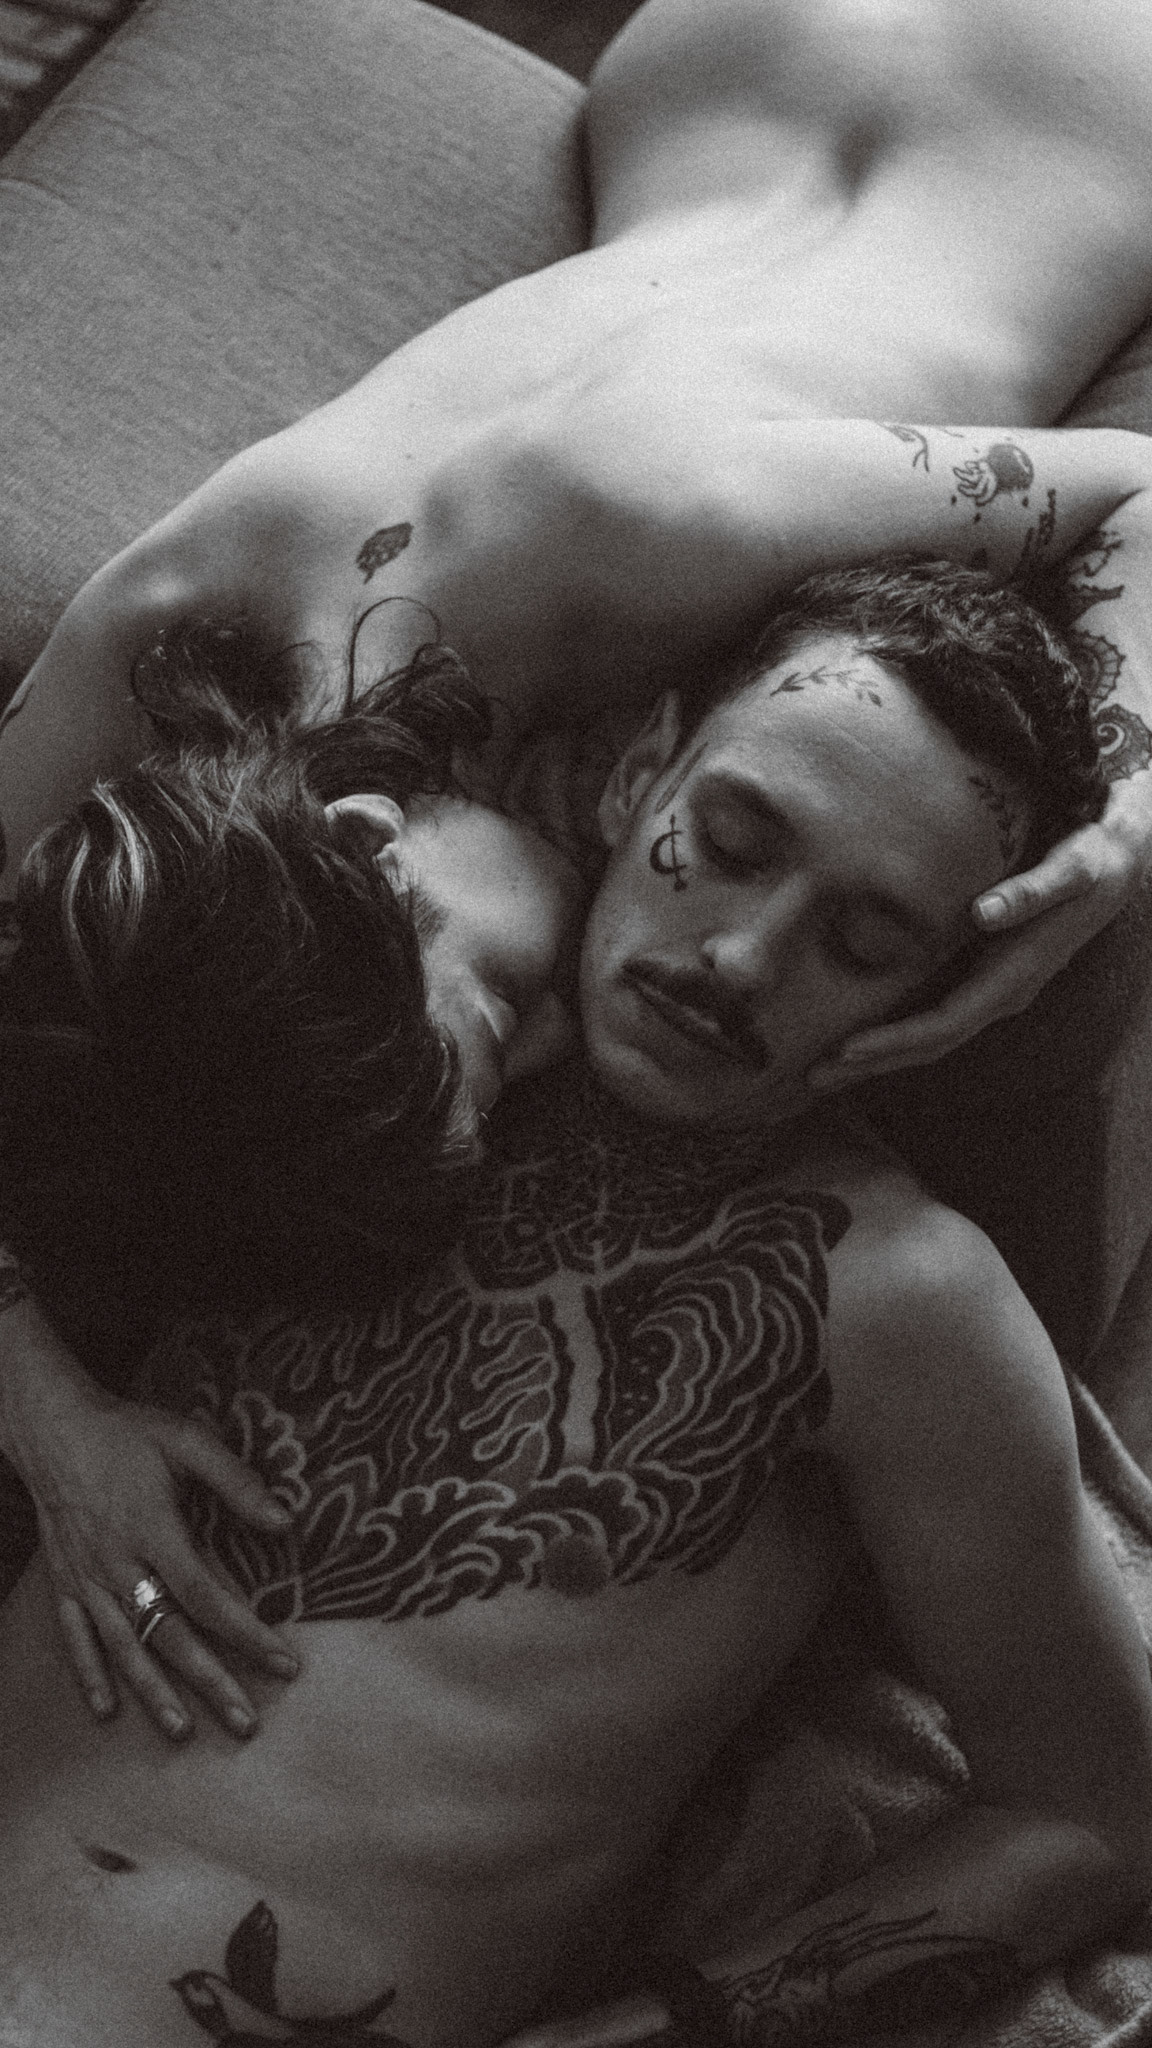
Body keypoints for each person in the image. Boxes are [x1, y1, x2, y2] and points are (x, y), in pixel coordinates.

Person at [5, 0, 1152, 1726]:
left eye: (502, 1012)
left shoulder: (648, 523)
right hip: (712, 82)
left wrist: (1127, 802)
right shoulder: (179, 618)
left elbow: (1136, 486)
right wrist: (55, 1421)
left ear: (367, 840)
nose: (575, 1047)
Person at [1, 557, 1150, 2048]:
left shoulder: (894, 1301)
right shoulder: (366, 978)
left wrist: (662, 2029)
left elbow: (1097, 1809)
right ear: (635, 773)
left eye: (865, 943)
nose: (742, 957)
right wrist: (48, 1408)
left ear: (953, 989)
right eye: (730, 840)